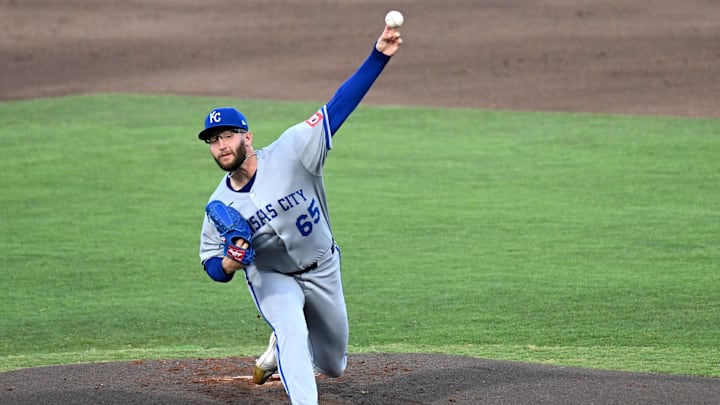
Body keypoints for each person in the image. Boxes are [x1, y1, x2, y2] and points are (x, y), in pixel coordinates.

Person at [197, 22, 403, 405]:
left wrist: (378, 57)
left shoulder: (294, 149)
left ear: (247, 136)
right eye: (213, 141)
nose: (220, 146)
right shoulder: (219, 206)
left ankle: (276, 352)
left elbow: (339, 106)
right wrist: (228, 264)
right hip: (272, 276)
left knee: (333, 364)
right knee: (292, 326)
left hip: (323, 266)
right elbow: (210, 262)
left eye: (227, 136)